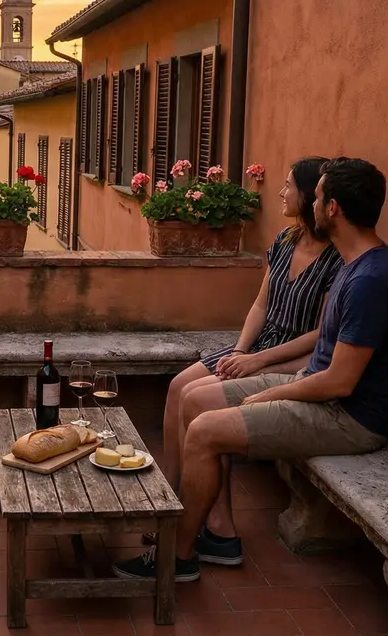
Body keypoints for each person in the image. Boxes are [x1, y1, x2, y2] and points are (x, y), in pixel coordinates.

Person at [116, 157, 388, 582]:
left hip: (349, 416)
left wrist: (269, 392)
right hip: (319, 389)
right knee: (194, 397)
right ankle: (205, 531)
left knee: (204, 430)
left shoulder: (371, 280)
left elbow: (340, 380)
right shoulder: (357, 265)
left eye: (315, 196)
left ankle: (177, 556)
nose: (310, 203)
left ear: (333, 209)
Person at [151, 158, 344, 546]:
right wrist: (240, 350)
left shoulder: (336, 260)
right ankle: (168, 501)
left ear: (309, 197)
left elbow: (321, 334)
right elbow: (260, 305)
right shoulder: (284, 241)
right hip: (257, 344)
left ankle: (220, 525)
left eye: (288, 185)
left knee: (203, 404)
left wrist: (257, 360)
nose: (281, 192)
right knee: (177, 387)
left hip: (291, 356)